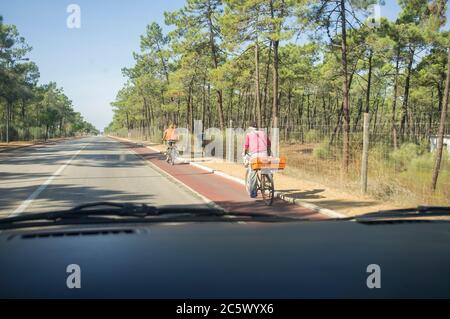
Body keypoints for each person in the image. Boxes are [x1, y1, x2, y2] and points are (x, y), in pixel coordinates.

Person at [243, 121, 271, 198]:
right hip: (264, 154)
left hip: (255, 156)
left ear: (250, 128)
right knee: (265, 168)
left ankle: (253, 192)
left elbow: (246, 146)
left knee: (253, 172)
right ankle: (268, 180)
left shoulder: (248, 134)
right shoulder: (263, 133)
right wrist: (268, 152)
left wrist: (245, 153)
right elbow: (269, 143)